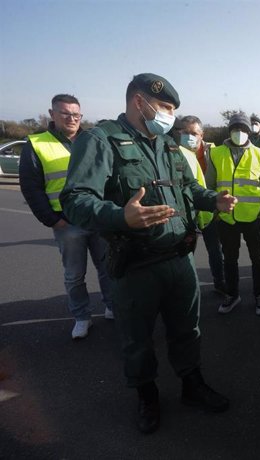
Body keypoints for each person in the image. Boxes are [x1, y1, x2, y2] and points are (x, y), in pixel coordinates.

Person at [60, 73, 235, 434]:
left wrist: (213, 200)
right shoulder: (101, 140)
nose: (170, 115)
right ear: (140, 102)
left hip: (180, 259)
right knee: (137, 340)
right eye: (166, 108)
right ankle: (147, 396)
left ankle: (192, 385)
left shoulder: (168, 145)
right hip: (136, 264)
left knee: (188, 330)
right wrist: (119, 216)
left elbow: (187, 188)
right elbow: (75, 201)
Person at [19, 94, 114, 340]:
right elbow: (31, 187)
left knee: (108, 267)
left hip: (97, 216)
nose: (72, 119)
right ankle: (82, 317)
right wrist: (53, 220)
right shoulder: (37, 143)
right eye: (65, 114)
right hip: (67, 223)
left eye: (76, 114)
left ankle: (112, 306)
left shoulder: (92, 139)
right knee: (74, 275)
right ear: (52, 114)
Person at [206, 112, 260, 316]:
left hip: (253, 218)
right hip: (226, 217)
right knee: (229, 259)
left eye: (243, 129)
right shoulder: (216, 153)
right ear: (229, 131)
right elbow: (209, 186)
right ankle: (232, 295)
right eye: (235, 129)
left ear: (249, 132)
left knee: (257, 258)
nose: (239, 133)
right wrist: (216, 210)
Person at [177, 115, 225, 294]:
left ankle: (220, 284)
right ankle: (184, 290)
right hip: (187, 211)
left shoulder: (215, 152)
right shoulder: (175, 153)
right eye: (185, 132)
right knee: (185, 253)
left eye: (194, 133)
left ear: (202, 135)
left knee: (215, 250)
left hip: (209, 209)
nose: (190, 136)